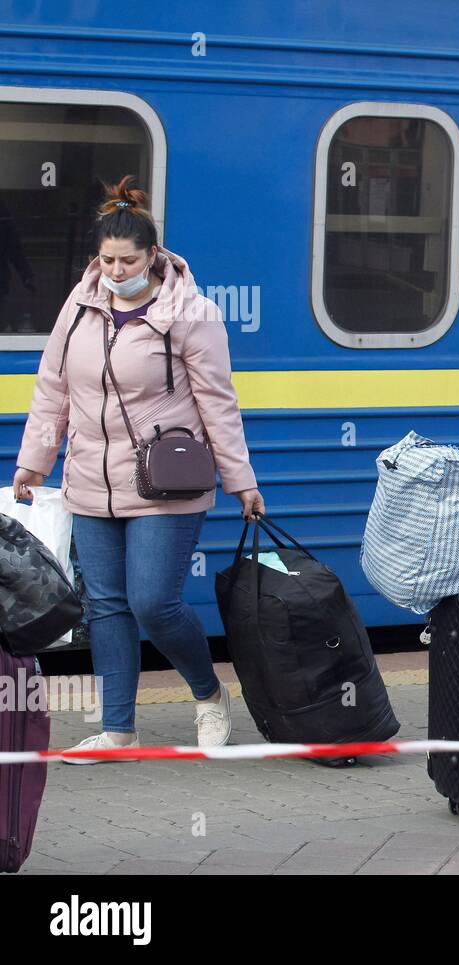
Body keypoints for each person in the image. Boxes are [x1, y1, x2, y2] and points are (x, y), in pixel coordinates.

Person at [10, 176, 264, 762]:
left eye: (127, 260)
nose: (116, 271)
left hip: (164, 481)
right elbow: (52, 391)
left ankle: (208, 694)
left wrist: (241, 480)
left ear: (154, 257)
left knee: (154, 602)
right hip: (89, 481)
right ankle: (119, 730)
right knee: (105, 604)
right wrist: (34, 462)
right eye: (106, 260)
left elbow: (217, 403)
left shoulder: (191, 314)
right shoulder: (78, 307)